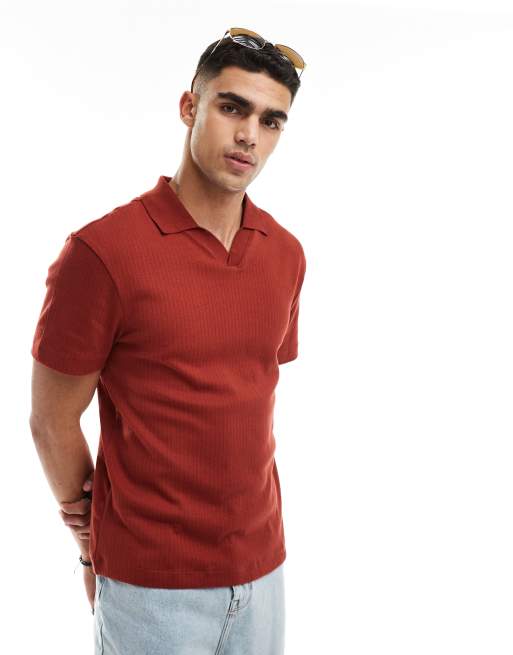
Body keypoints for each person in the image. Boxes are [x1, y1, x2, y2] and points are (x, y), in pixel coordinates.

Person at [29, 27, 307, 655]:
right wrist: (91, 545)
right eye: (232, 107)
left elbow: (245, 397)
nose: (249, 135)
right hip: (150, 588)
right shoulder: (101, 254)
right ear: (190, 107)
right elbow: (51, 421)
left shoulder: (285, 253)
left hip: (264, 571)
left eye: (271, 121)